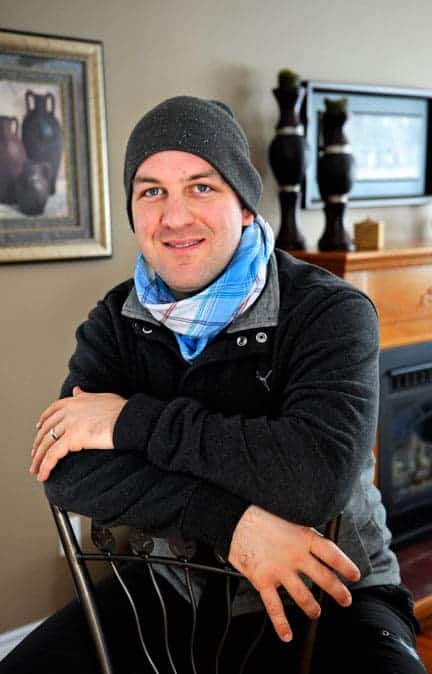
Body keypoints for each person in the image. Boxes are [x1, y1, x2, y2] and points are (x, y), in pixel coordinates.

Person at [2, 96, 426, 673]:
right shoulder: (117, 320)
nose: (174, 216)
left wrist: (128, 420)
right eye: (152, 191)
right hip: (174, 587)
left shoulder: (330, 312)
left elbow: (313, 478)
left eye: (201, 187)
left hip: (329, 586)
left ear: (245, 206)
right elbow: (67, 469)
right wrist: (232, 525)